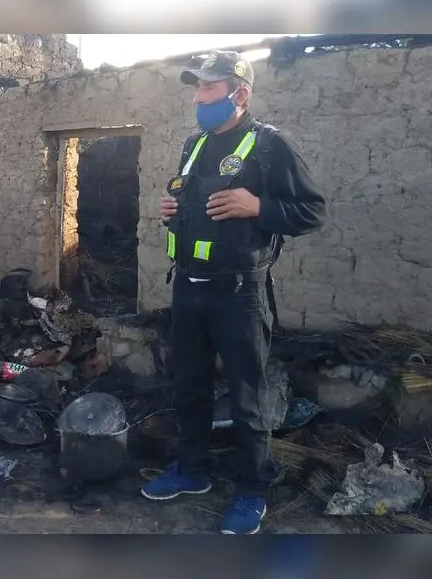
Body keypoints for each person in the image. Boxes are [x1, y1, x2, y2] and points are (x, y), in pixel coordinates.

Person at [140, 51, 326, 534]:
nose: (199, 98)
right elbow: (193, 205)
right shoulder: (194, 144)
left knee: (247, 397)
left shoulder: (269, 146)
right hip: (188, 287)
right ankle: (192, 471)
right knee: (190, 388)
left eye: (209, 88)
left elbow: (311, 211)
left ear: (238, 94)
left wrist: (257, 205)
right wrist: (172, 210)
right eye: (197, 89)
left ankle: (252, 489)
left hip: (239, 294)